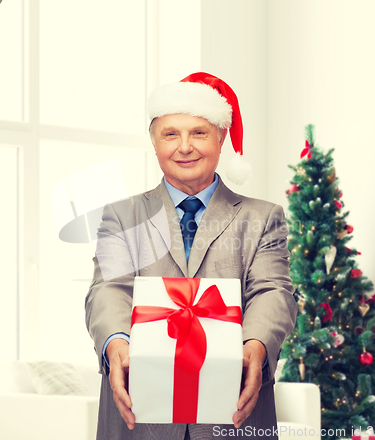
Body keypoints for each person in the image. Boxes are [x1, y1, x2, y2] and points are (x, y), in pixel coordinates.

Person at [85, 72, 297, 440]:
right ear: (154, 142)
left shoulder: (263, 217)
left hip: (234, 411)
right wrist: (116, 343)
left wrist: (256, 344)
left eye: (198, 132)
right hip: (140, 413)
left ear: (220, 138)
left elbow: (273, 291)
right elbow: (108, 289)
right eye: (171, 134)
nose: (185, 147)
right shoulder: (122, 215)